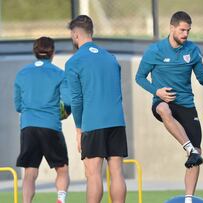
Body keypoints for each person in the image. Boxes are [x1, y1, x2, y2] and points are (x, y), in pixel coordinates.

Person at [135, 11, 203, 203]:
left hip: (186, 105)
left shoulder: (193, 50)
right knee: (163, 109)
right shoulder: (155, 51)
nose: (186, 34)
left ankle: (188, 199)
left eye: (188, 30)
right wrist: (157, 92)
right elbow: (139, 77)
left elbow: (201, 78)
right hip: (163, 101)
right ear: (172, 28)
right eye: (182, 30)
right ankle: (189, 148)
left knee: (197, 152)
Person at [65, 15, 128, 203]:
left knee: (93, 174)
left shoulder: (73, 62)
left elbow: (76, 100)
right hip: (117, 121)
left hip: (93, 123)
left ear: (76, 35)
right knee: (117, 172)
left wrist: (78, 128)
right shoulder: (111, 58)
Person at [14, 36, 70, 203]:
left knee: (30, 172)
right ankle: (60, 200)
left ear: (34, 52)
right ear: (52, 52)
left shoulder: (22, 73)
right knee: (62, 169)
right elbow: (67, 103)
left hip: (28, 127)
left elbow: (18, 106)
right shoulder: (59, 74)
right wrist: (64, 113)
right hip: (50, 126)